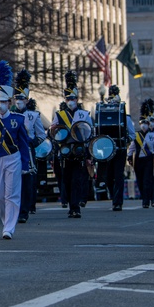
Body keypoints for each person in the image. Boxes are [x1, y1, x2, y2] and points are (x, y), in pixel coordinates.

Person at [0, 62, 32, 239]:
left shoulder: (18, 118)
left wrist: (25, 163)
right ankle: (6, 220)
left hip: (13, 157)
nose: (0, 105)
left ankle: (9, 227)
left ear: (9, 103)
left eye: (3, 101)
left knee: (12, 194)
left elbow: (24, 143)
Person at [52, 71, 92, 219]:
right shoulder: (59, 114)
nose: (71, 101)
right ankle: (70, 204)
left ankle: (75, 208)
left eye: (73, 98)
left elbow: (89, 134)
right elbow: (53, 131)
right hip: (64, 150)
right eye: (68, 98)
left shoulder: (84, 114)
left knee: (77, 180)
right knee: (66, 180)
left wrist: (89, 155)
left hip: (79, 150)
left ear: (77, 99)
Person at [14, 70, 47, 223]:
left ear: (27, 100)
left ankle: (24, 211)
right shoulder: (9, 114)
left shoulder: (33, 115)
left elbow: (42, 135)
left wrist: (33, 143)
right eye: (16, 98)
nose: (18, 101)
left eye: (21, 98)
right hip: (12, 151)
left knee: (27, 182)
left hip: (27, 150)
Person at [101, 86, 135, 211]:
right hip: (106, 150)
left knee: (118, 175)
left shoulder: (125, 117)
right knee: (109, 177)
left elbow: (132, 134)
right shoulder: (103, 116)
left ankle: (118, 202)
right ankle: (112, 194)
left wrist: (126, 140)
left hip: (120, 149)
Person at [128, 99, 154, 208]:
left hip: (149, 159)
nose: (143, 125)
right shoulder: (137, 135)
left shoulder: (152, 134)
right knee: (140, 180)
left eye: (145, 123)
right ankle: (144, 196)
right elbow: (132, 147)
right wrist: (130, 156)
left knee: (147, 180)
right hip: (139, 161)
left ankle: (146, 201)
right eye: (141, 123)